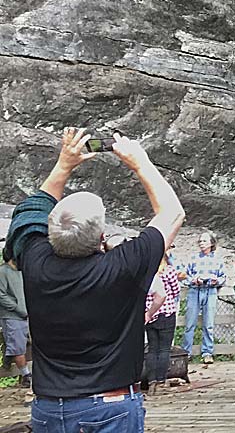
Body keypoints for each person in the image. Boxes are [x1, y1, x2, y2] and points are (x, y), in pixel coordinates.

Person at [6, 128, 184, 432]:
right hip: (110, 408)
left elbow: (29, 211)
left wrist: (64, 164)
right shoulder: (123, 267)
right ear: (102, 237)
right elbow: (172, 213)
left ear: (49, 235)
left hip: (49, 408)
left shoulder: (35, 262)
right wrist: (139, 162)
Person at [181, 232, 227, 364]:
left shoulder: (218, 259)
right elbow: (186, 277)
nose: (201, 243)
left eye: (204, 241)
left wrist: (215, 281)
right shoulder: (193, 258)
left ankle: (207, 352)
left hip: (210, 291)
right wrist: (194, 280)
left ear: (212, 243)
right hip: (195, 291)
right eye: (200, 241)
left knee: (209, 324)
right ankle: (187, 352)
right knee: (190, 323)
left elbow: (223, 277)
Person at [143, 249, 181, 395]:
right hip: (167, 311)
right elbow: (176, 290)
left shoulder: (146, 273)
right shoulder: (169, 271)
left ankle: (151, 380)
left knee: (152, 348)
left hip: (149, 313)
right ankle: (161, 380)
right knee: (164, 349)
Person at [0, 259, 30, 388]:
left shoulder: (22, 271)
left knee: (21, 345)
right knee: (18, 348)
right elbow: (1, 295)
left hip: (26, 315)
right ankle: (26, 376)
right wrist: (18, 309)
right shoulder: (3, 271)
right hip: (12, 316)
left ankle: (8, 357)